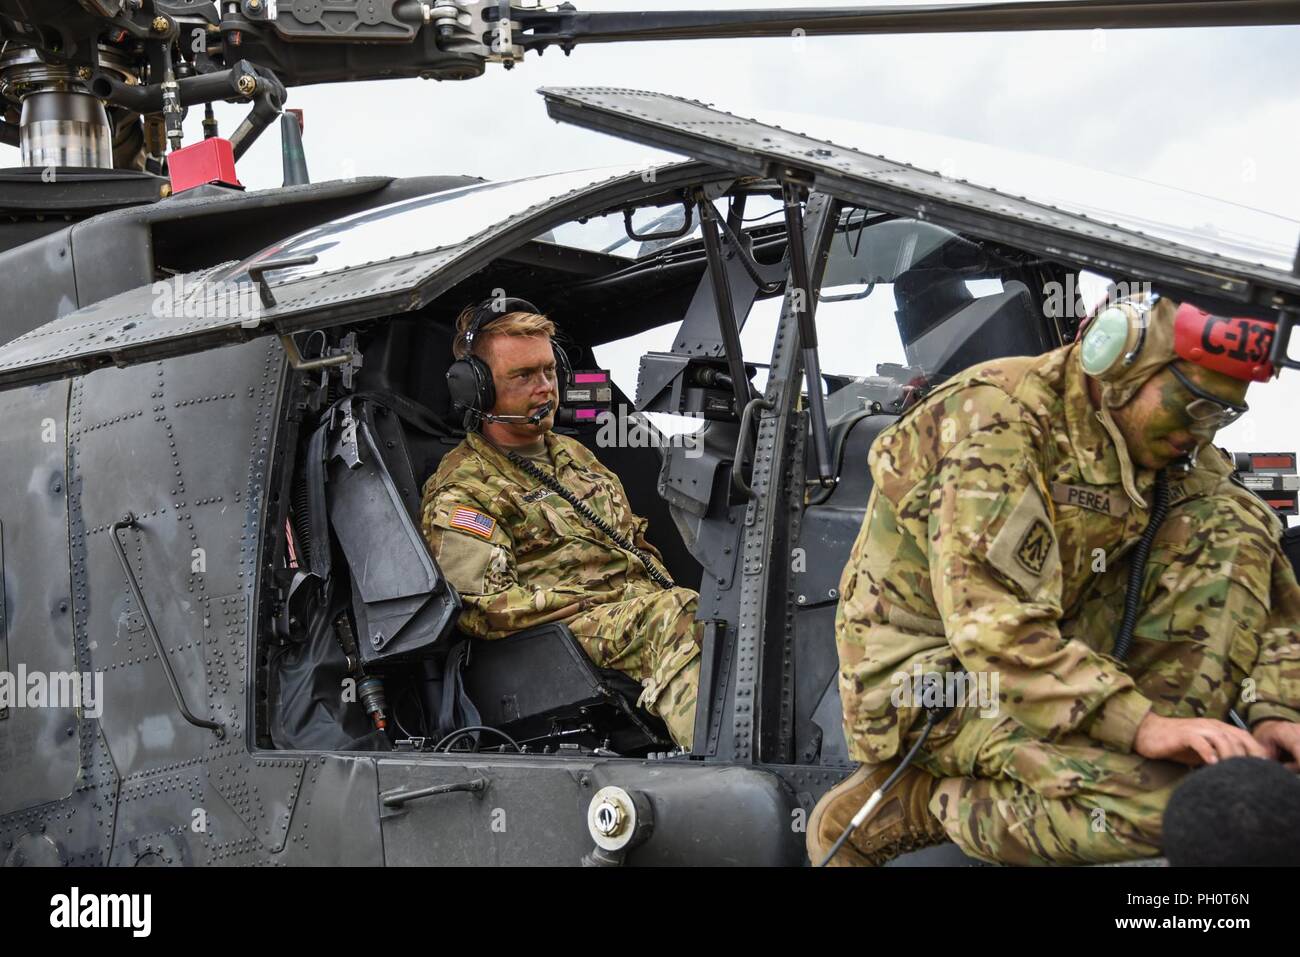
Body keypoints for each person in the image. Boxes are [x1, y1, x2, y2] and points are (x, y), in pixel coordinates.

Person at [807, 291, 1300, 866]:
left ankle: (1145, 755)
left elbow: (1270, 592)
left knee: (1233, 525)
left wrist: (1276, 712)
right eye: (1194, 405)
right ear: (1121, 362)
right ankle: (919, 801)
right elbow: (994, 627)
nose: (1203, 430)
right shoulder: (995, 421)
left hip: (1058, 663)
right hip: (941, 685)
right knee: (1186, 810)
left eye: (1223, 414)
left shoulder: (1180, 451)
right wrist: (1138, 727)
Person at [419, 298, 701, 749]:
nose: (545, 388)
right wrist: (583, 599)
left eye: (549, 371)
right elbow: (481, 608)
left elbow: (636, 546)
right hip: (561, 638)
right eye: (524, 376)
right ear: (478, 389)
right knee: (676, 617)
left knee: (724, 617)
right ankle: (726, 765)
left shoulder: (578, 457)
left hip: (634, 612)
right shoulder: (465, 487)